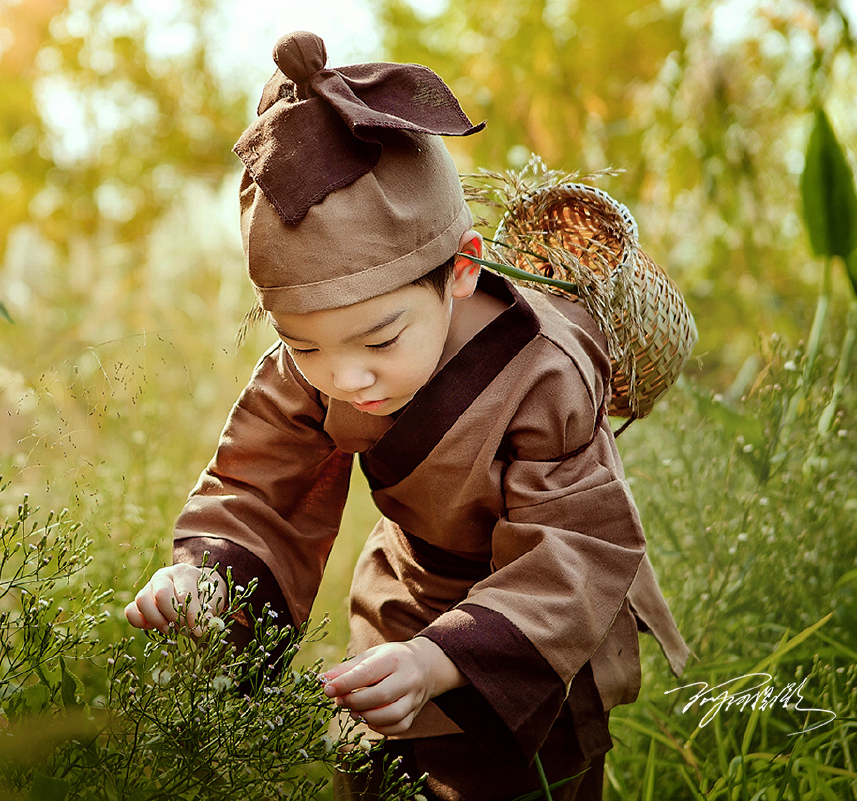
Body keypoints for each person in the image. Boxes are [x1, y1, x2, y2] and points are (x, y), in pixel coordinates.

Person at [124, 31, 689, 801]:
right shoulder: (318, 369)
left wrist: (441, 659)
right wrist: (205, 580)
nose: (344, 376)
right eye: (304, 343)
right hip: (405, 595)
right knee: (377, 769)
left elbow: (577, 544)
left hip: (528, 624)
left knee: (520, 783)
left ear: (460, 268)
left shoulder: (543, 371)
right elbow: (258, 488)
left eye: (380, 338)